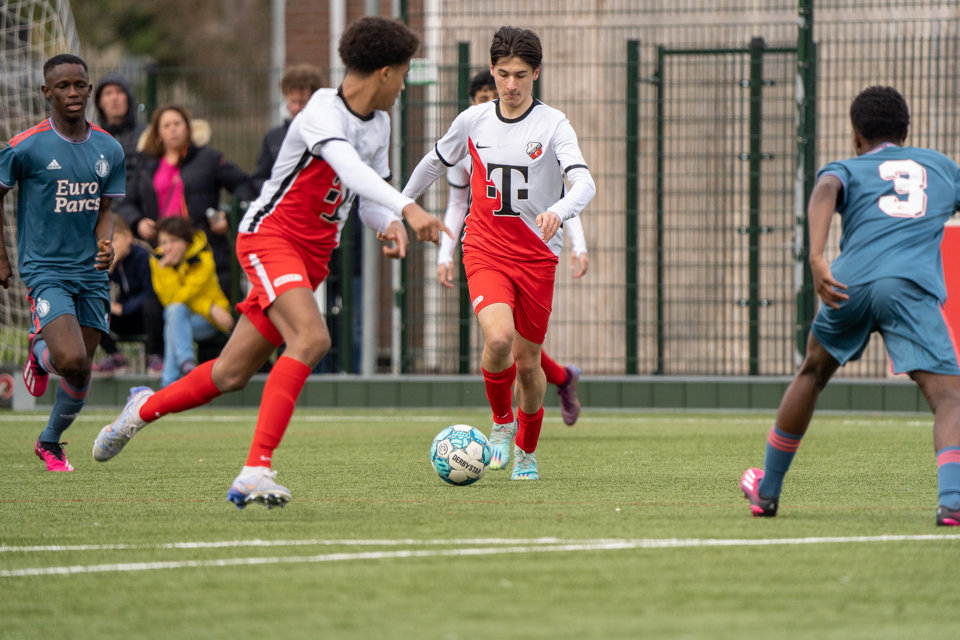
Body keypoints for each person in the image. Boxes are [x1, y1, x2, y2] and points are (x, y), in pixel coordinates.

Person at [94, 16, 448, 509]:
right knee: (312, 338)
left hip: (312, 258)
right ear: (385, 72)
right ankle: (255, 470)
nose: (406, 84)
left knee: (230, 375)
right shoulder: (323, 110)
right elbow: (346, 167)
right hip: (268, 238)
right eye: (406, 73)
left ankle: (140, 409)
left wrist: (387, 221)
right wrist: (409, 209)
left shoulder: (381, 124)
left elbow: (366, 193)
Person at [740, 86, 960, 527]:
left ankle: (767, 492)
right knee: (949, 398)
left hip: (847, 284)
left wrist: (818, 257)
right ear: (907, 130)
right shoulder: (940, 167)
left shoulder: (847, 167)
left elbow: (826, 187)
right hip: (908, 288)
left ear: (856, 136)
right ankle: (951, 502)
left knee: (812, 372)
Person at [402, 27, 596, 479]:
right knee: (498, 340)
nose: (511, 85)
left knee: (529, 366)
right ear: (492, 69)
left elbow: (583, 183)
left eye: (521, 76)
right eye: (504, 74)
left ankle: (527, 453)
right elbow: (435, 162)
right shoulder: (472, 121)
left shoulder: (554, 124)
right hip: (485, 248)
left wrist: (560, 210)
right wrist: (401, 206)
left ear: (537, 74)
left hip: (536, 258)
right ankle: (501, 425)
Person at [433, 69, 588, 430]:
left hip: (531, 249)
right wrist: (444, 254)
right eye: (484, 95)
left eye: (498, 90)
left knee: (524, 353)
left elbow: (560, 196)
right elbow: (458, 203)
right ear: (473, 104)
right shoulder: (468, 140)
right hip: (487, 248)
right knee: (504, 339)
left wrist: (578, 244)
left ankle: (562, 381)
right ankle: (513, 416)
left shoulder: (540, 132)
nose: (497, 97)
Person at [0, 54, 125, 471]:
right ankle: (39, 350)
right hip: (44, 267)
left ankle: (50, 442)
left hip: (89, 270)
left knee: (80, 368)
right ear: (46, 92)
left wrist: (104, 243)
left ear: (89, 89)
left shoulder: (109, 148)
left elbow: (105, 208)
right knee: (70, 359)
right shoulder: (26, 146)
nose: (73, 92)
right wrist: (2, 256)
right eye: (63, 86)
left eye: (79, 85)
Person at [121, 105, 257, 297]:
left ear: (188, 128)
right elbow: (126, 202)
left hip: (204, 250)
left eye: (177, 123)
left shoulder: (209, 159)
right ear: (158, 132)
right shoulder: (146, 165)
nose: (173, 129)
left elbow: (245, 187)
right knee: (161, 311)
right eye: (166, 125)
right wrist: (138, 222)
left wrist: (227, 217)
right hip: (163, 252)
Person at [150, 216, 234, 388]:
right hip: (191, 315)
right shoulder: (158, 261)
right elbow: (170, 300)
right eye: (163, 242)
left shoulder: (203, 258)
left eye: (173, 241)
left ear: (186, 241)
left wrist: (209, 310)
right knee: (173, 315)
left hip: (210, 320)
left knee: (172, 324)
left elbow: (185, 295)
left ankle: (168, 385)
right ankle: (187, 364)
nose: (167, 247)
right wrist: (209, 307)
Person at [91, 215, 164, 377]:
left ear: (129, 237)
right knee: (90, 306)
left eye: (114, 240)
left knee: (152, 304)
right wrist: (107, 271)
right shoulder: (110, 260)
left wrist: (124, 308)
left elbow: (151, 292)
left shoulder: (143, 256)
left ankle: (155, 356)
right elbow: (93, 290)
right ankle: (115, 356)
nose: (110, 246)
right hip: (125, 320)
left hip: (149, 318)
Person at [251, 64, 325, 193]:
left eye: (302, 102)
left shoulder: (326, 136)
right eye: (292, 101)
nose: (296, 108)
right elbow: (259, 179)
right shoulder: (272, 137)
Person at [94, 72, 147, 173]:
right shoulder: (92, 138)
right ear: (100, 102)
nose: (114, 98)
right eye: (108, 93)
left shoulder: (146, 135)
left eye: (119, 92)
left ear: (128, 98)